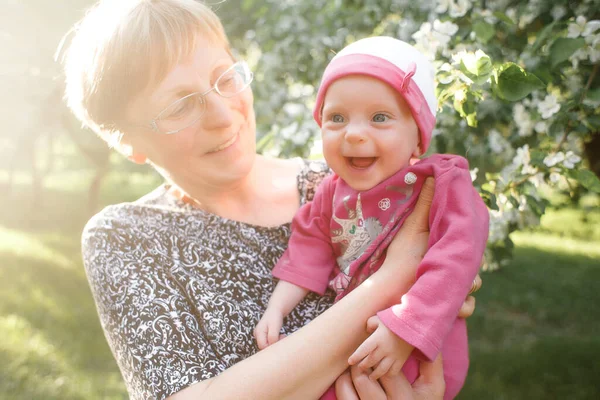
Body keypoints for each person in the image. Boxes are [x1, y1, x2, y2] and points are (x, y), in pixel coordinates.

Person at [61, 1, 480, 399]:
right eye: (179, 106)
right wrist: (393, 278)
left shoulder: (341, 183)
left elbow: (451, 275)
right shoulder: (127, 237)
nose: (224, 115)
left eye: (225, 78)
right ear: (127, 141)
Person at [255, 37, 489, 400]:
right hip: (355, 337)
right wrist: (277, 308)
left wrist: (406, 327)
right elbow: (309, 248)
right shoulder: (331, 192)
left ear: (417, 139)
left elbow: (456, 257)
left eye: (380, 117)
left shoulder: (441, 182)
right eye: (337, 118)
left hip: (419, 347)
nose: (354, 133)